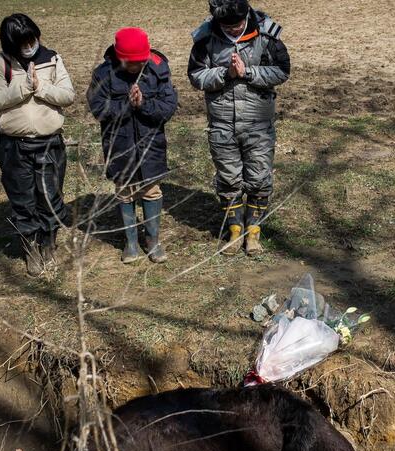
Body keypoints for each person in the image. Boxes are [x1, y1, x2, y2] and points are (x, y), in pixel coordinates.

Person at [188, 0, 290, 256]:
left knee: (258, 178)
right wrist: (225, 75)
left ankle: (253, 233)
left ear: (246, 16)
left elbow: (282, 71)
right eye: (227, 26)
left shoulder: (267, 34)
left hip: (258, 122)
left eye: (237, 25)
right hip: (221, 124)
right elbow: (195, 75)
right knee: (229, 179)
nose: (233, 31)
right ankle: (235, 230)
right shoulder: (205, 38)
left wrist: (247, 73)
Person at [0, 13, 75, 276]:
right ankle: (31, 250)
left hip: (49, 144)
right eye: (23, 42)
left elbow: (68, 95)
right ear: (11, 44)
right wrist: (23, 86)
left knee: (49, 197)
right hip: (14, 146)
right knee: (23, 201)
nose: (29, 45)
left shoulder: (52, 58)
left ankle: (48, 245)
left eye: (32, 39)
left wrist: (41, 88)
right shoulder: (0, 62)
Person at [87, 28, 178, 264]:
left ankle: (153, 241)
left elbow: (168, 106)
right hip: (119, 146)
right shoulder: (103, 74)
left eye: (141, 62)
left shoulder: (158, 67)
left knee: (151, 190)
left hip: (151, 145)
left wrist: (144, 104)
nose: (137, 66)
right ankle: (130, 243)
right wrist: (127, 107)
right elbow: (99, 109)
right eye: (132, 63)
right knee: (124, 192)